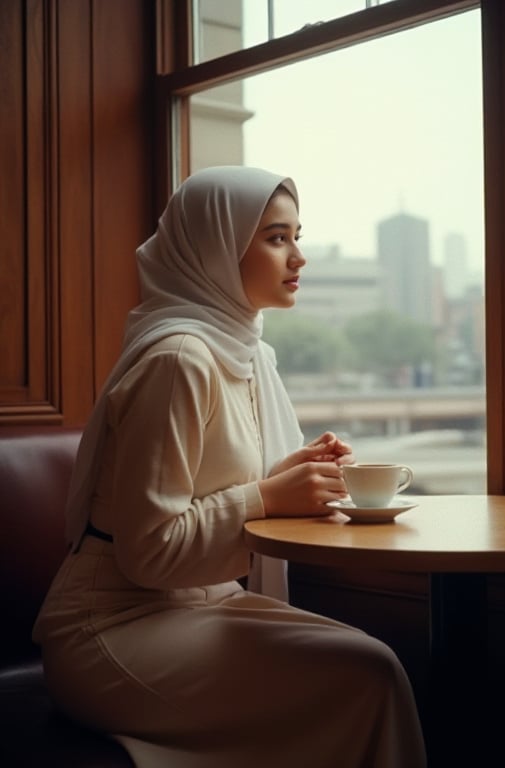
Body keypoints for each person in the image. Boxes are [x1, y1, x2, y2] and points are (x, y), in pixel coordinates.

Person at [33, 165, 427, 768]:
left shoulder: (241, 349)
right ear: (215, 247)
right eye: (276, 238)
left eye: (298, 235)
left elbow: (212, 482)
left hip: (199, 604)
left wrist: (293, 472)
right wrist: (269, 497)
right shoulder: (181, 358)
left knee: (377, 663)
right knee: (368, 678)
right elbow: (147, 551)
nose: (299, 256)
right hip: (111, 626)